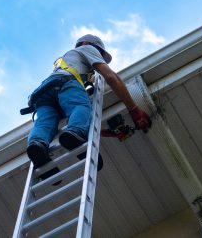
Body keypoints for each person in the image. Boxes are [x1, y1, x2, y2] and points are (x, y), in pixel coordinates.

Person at [23, 34, 152, 180]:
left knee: (45, 123)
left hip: (42, 95)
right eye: (100, 54)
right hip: (65, 82)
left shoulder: (67, 60)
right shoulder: (87, 47)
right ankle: (76, 132)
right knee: (81, 106)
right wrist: (134, 110)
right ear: (85, 43)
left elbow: (71, 121)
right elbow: (110, 77)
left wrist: (102, 132)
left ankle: (36, 145)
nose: (100, 58)